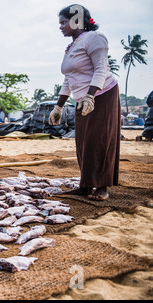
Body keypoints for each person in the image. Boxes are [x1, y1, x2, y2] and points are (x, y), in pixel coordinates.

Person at [49, 4, 120, 201]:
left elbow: (100, 68)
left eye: (64, 22)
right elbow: (68, 79)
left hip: (102, 94)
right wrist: (59, 106)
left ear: (77, 21)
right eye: (60, 23)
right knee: (84, 143)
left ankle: (102, 186)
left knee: (100, 140)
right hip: (82, 98)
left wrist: (91, 95)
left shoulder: (94, 38)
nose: (61, 26)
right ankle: (86, 185)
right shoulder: (72, 46)